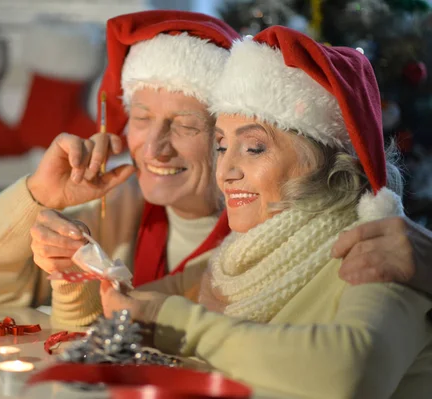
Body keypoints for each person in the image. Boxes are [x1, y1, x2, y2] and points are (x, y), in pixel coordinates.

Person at [100, 26, 432, 398]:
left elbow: (348, 374)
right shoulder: (239, 257)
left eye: (254, 148)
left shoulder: (383, 252)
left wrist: (176, 324)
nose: (225, 172)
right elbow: (117, 314)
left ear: (327, 162)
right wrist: (74, 272)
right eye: (222, 146)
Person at [0, 11, 240, 324]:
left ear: (225, 137)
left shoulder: (266, 234)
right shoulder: (109, 207)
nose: (153, 149)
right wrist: (39, 195)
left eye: (185, 125)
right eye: (141, 118)